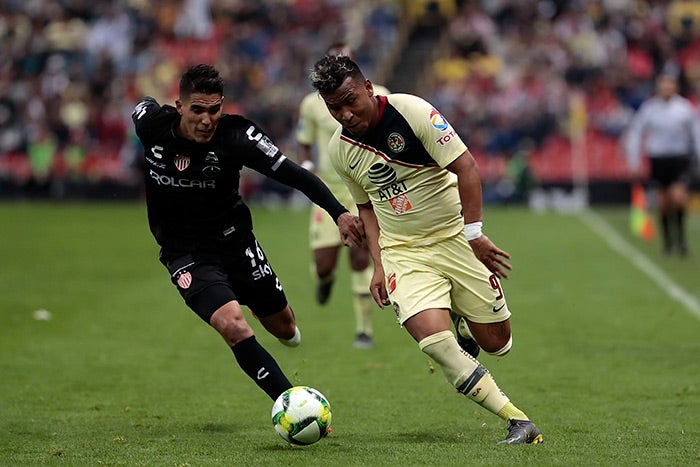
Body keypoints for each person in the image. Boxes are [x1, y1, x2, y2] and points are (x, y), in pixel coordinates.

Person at [310, 55, 543, 445]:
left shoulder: (413, 111)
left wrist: (475, 234)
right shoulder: (341, 150)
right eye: (335, 108)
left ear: (368, 87)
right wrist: (380, 266)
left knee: (498, 344)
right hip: (405, 250)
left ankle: (465, 319)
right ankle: (517, 420)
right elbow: (366, 208)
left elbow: (466, 167)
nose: (346, 114)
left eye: (350, 100)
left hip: (454, 236)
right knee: (434, 342)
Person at [131, 64, 363, 403]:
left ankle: (258, 303)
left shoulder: (237, 137)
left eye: (214, 110)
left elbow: (295, 175)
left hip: (235, 243)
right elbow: (142, 105)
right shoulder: (152, 125)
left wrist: (339, 213)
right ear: (180, 107)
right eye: (197, 110)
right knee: (233, 325)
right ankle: (292, 404)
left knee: (287, 331)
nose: (206, 120)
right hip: (186, 254)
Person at [296, 43, 390, 349]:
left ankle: (364, 330)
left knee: (361, 256)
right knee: (324, 264)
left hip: (362, 188)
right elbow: (305, 140)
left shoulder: (380, 94)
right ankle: (325, 280)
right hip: (328, 192)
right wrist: (308, 166)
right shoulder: (312, 104)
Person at [625, 71, 700, 257]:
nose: (667, 88)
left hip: (679, 158)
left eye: (670, 84)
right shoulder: (649, 109)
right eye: (663, 84)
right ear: (658, 86)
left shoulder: (684, 109)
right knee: (665, 202)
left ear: (675, 87)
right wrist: (634, 161)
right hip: (658, 160)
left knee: (679, 197)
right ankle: (668, 242)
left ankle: (681, 241)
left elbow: (696, 134)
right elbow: (636, 133)